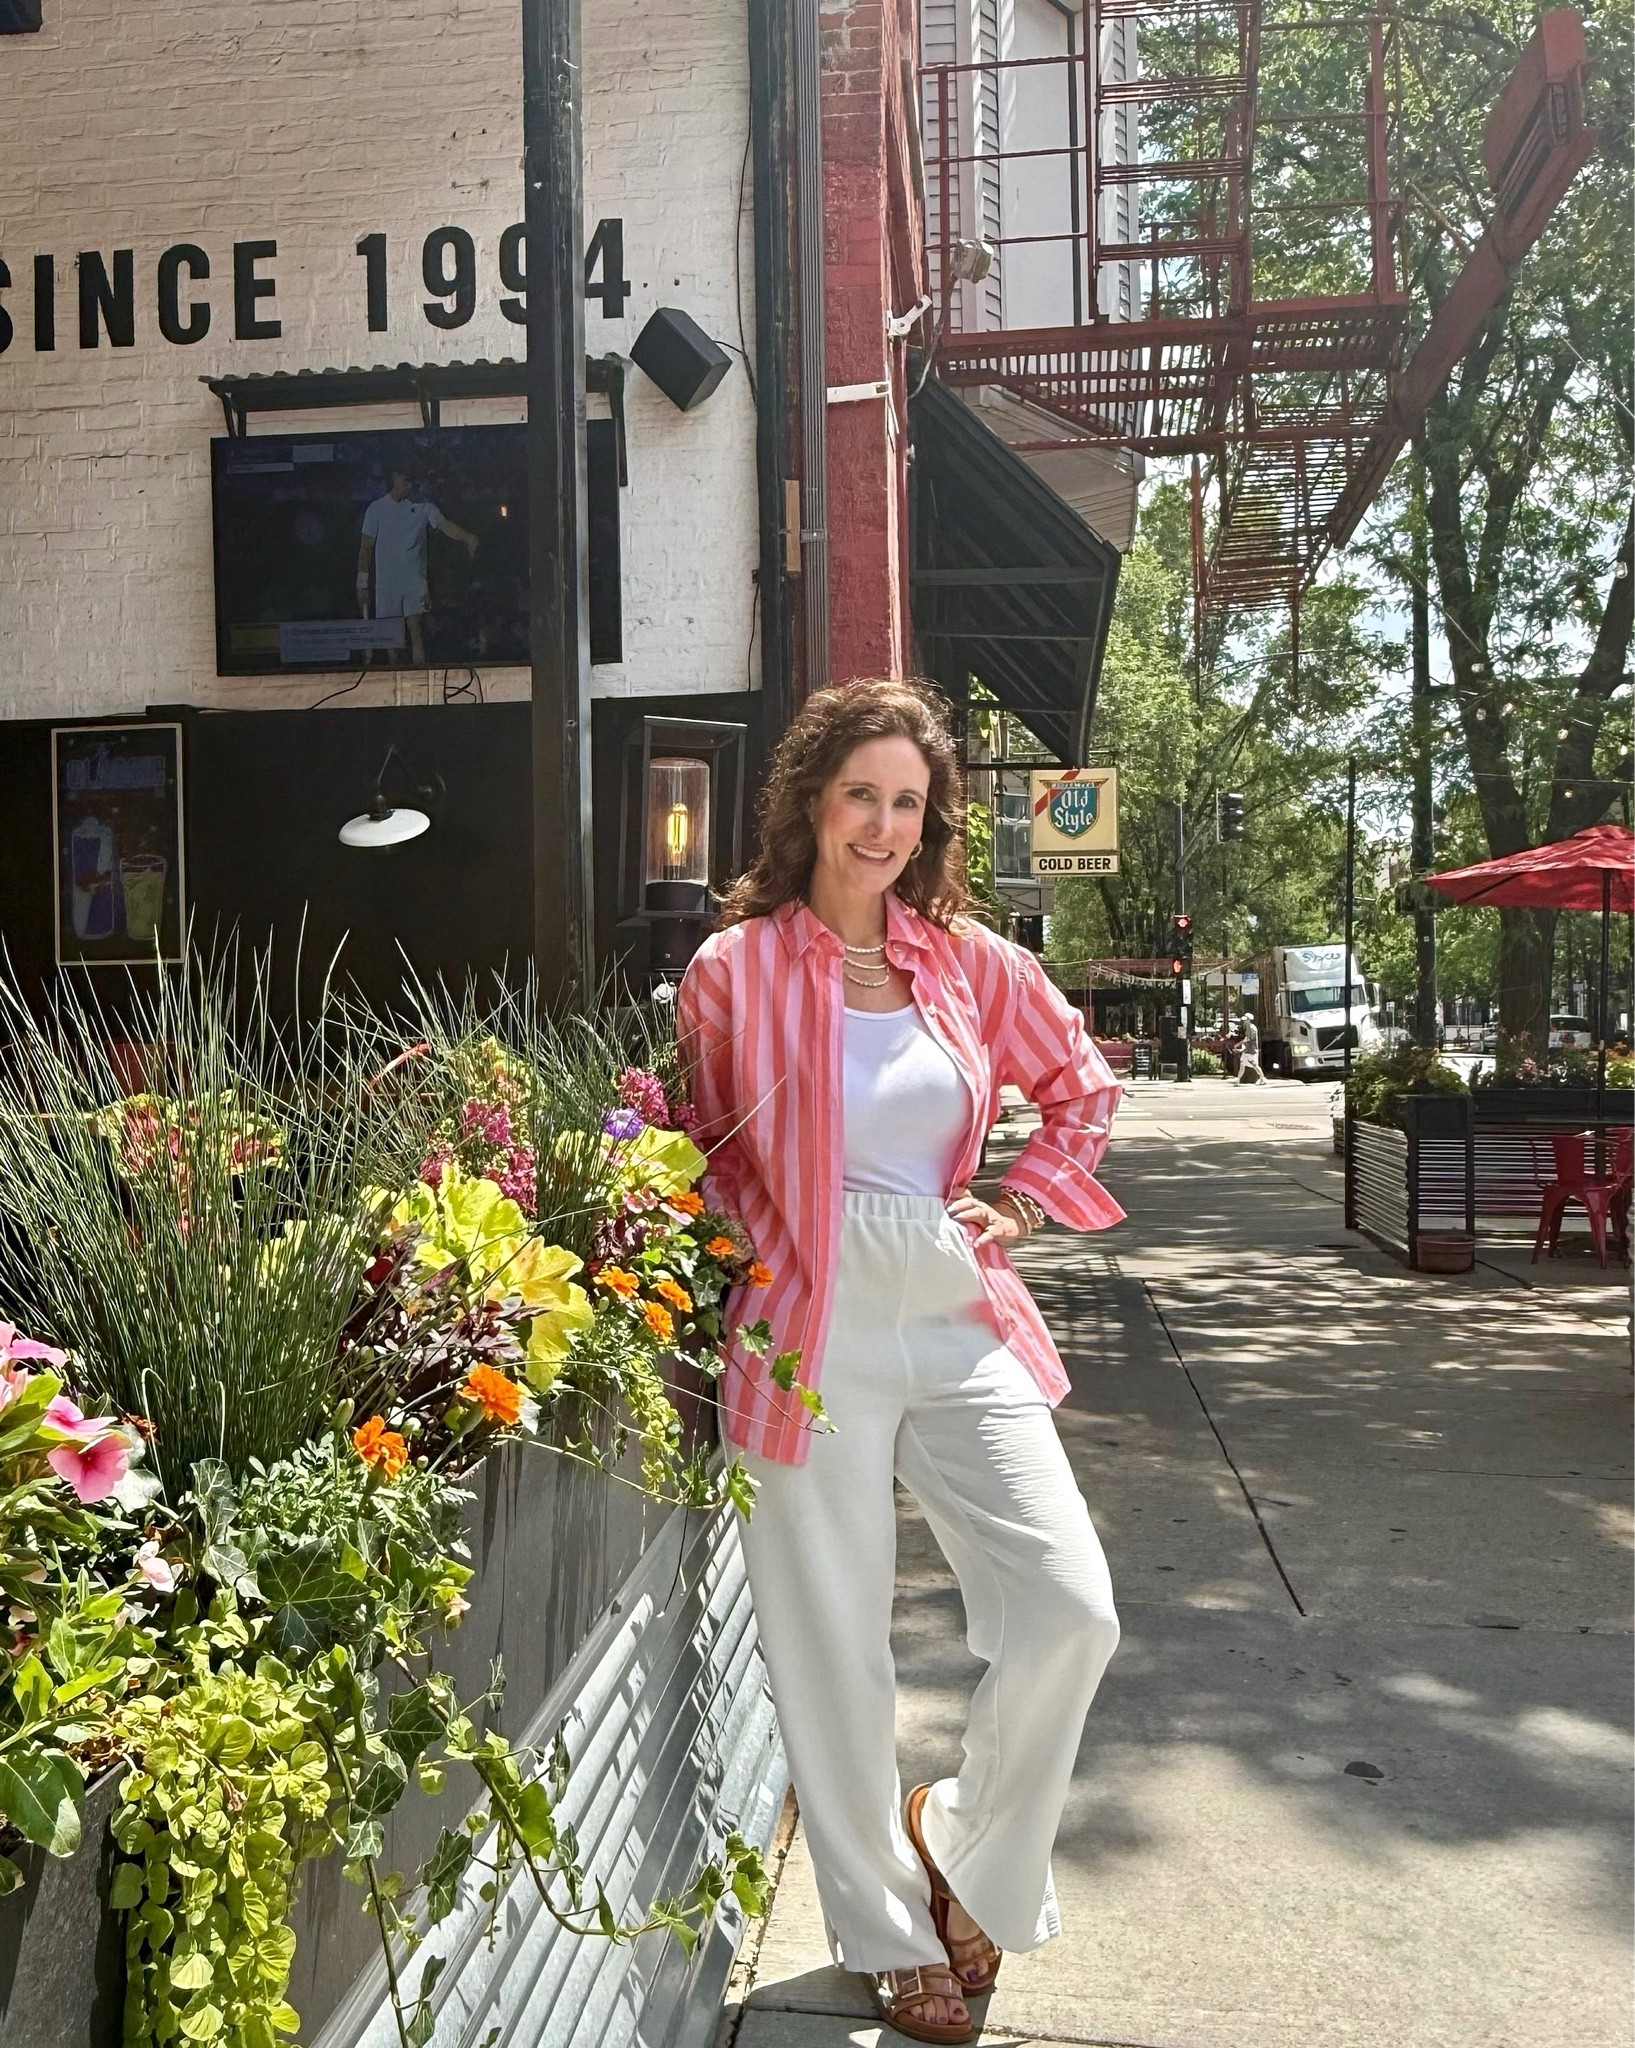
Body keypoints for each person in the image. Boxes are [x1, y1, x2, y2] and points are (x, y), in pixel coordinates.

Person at [677, 680, 1123, 2046]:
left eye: (906, 803)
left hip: (945, 1297)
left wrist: (1023, 1194)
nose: (880, 824)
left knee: (1068, 1608)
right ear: (812, 799)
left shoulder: (964, 960)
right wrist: (734, 1263)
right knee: (832, 1648)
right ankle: (881, 1930)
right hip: (800, 1325)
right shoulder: (731, 971)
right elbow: (694, 1160)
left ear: (926, 824)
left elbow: (1082, 1086)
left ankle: (972, 1847)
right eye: (860, 793)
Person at [356, 467, 478, 665]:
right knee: (391, 639)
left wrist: (467, 537)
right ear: (394, 478)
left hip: (414, 582)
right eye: (406, 480)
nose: (410, 485)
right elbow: (366, 547)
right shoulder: (376, 509)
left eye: (412, 481)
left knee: (416, 631)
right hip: (387, 586)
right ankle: (396, 679)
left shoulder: (424, 507)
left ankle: (419, 677)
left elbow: (444, 525)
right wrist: (362, 583)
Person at [1234, 1013, 1264, 1084]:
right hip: (1248, 1050)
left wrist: (1237, 1044)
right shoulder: (1249, 1027)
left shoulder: (1251, 1028)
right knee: (1242, 1064)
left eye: (1245, 1020)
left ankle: (1262, 1078)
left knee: (1255, 1065)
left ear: (1249, 1020)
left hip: (1251, 1050)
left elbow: (1247, 1039)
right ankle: (1238, 1079)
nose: (1244, 1022)